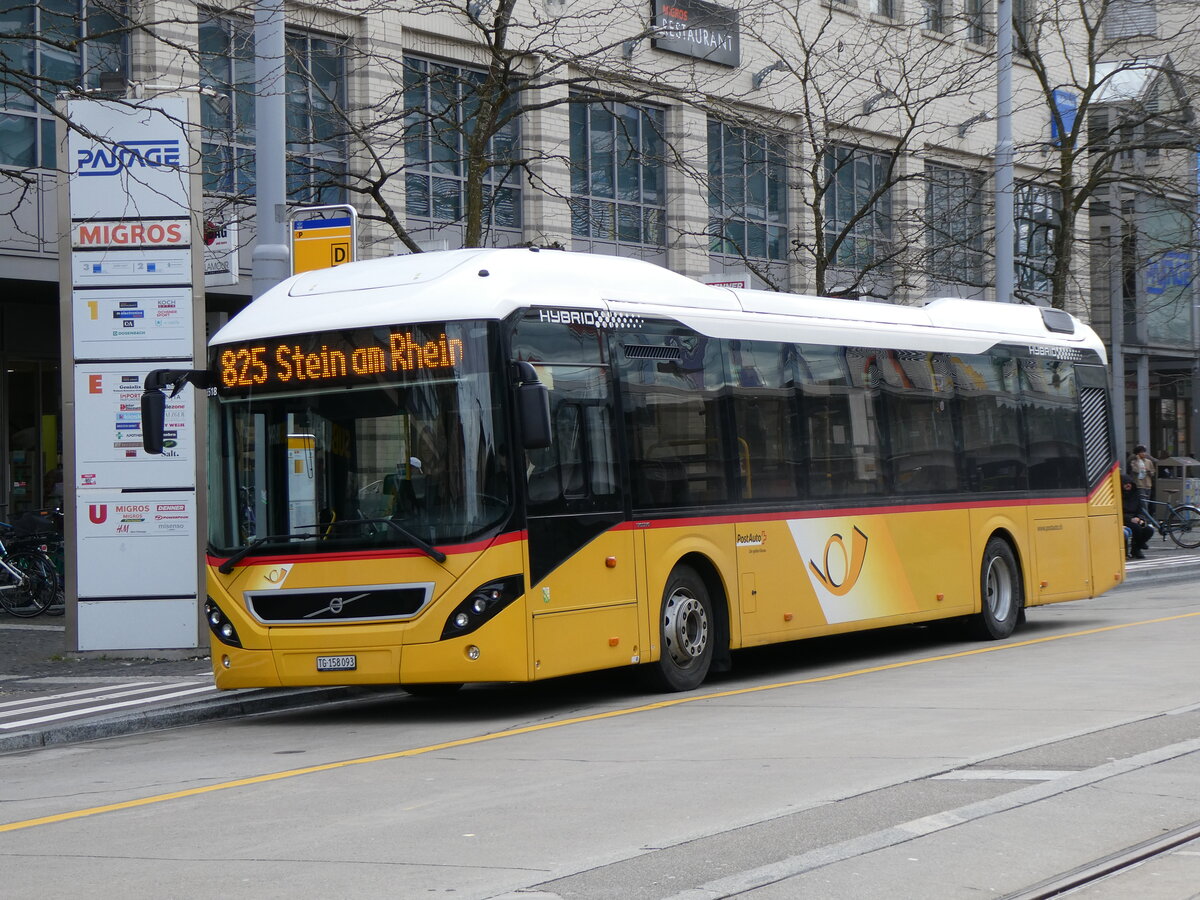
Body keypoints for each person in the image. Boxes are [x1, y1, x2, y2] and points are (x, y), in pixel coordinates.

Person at [1122, 475, 1153, 559]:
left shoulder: (1135, 494)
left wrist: (1140, 518)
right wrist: (1130, 519)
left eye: (1129, 483)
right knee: (1137, 528)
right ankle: (1137, 549)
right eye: (1125, 484)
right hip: (1125, 519)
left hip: (1136, 518)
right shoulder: (1119, 496)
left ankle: (1137, 547)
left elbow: (1140, 509)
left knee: (1149, 530)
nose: (1128, 485)